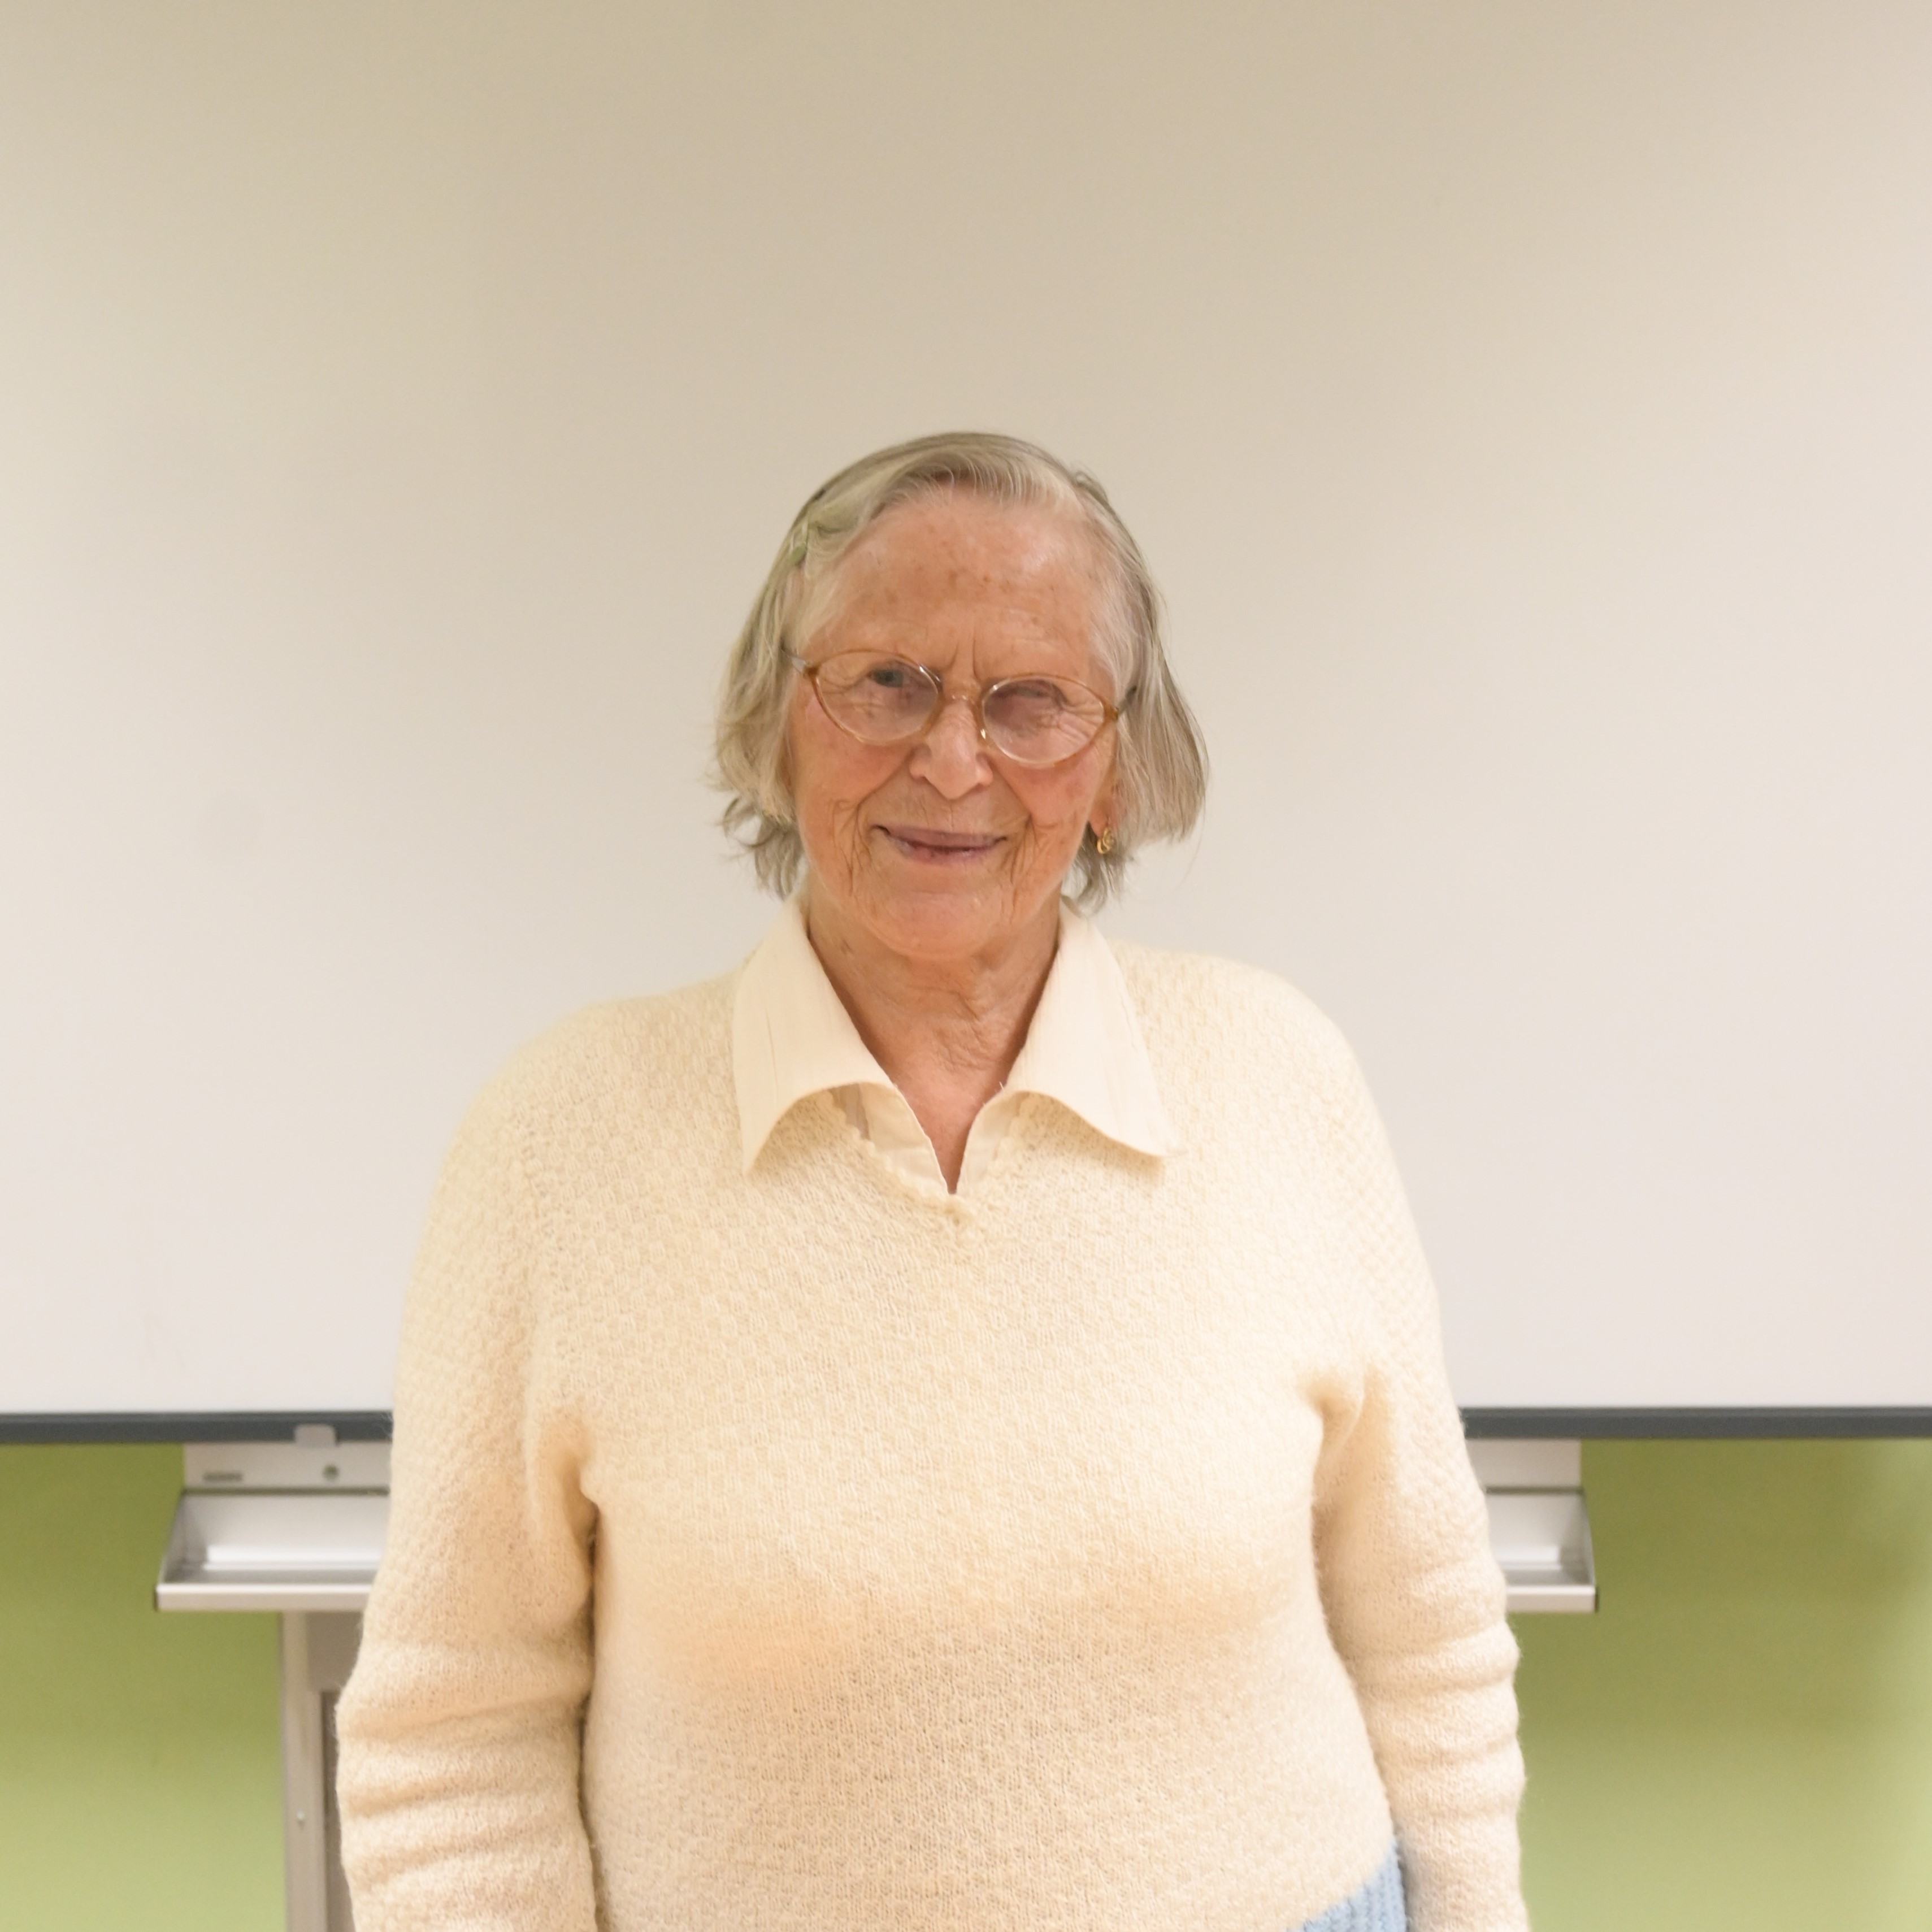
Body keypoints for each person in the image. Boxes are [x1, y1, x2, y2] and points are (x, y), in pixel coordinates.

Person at [335, 432, 1529, 1932]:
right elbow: (455, 1733)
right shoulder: (559, 1138)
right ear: (778, 724)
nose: (954, 761)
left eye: (1031, 701)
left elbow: (1427, 1635)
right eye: (886, 682)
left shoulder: (1276, 1075)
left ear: (1113, 769)